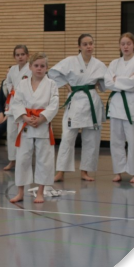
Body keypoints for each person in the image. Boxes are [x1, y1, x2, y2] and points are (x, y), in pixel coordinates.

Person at [48, 33, 107, 182]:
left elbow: (105, 85)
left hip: (92, 101)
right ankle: (61, 171)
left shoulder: (99, 64)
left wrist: (100, 83)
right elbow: (52, 72)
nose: (89, 47)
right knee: (67, 137)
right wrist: (65, 84)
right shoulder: (70, 61)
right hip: (75, 100)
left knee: (91, 139)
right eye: (85, 44)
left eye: (91, 43)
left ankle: (85, 172)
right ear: (79, 46)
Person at [9, 52, 59, 204]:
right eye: (36, 65)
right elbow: (16, 102)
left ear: (46, 68)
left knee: (44, 160)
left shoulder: (51, 84)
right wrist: (24, 117)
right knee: (22, 159)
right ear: (30, 67)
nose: (39, 68)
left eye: (42, 66)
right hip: (26, 124)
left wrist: (42, 118)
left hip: (42, 124)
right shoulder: (23, 84)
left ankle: (40, 192)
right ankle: (20, 192)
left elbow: (54, 104)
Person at [104, 32, 134, 183]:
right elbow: (107, 82)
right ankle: (118, 171)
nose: (126, 46)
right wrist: (125, 80)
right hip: (116, 104)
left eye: (128, 43)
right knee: (116, 140)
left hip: (132, 103)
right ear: (119, 46)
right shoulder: (114, 63)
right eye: (123, 44)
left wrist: (117, 79)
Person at [4, 45, 32, 171]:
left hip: (26, 105)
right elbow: (7, 82)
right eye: (17, 55)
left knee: (25, 135)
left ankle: (24, 161)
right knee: (11, 134)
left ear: (27, 55)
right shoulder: (12, 70)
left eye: (22, 54)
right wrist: (11, 89)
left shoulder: (31, 69)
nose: (20, 57)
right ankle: (12, 160)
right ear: (14, 57)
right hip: (13, 105)